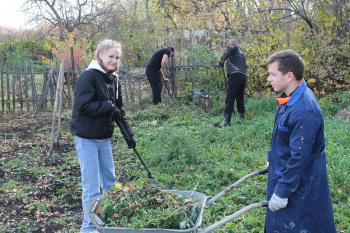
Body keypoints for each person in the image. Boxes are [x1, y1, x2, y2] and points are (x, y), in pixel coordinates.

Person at [265, 49, 336, 232]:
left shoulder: (304, 109)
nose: (269, 79)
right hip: (285, 171)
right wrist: (272, 157)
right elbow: (284, 138)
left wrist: (282, 192)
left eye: (273, 74)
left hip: (302, 182)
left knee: (301, 224)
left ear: (289, 76)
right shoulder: (289, 97)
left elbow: (299, 157)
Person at [70, 39, 136, 233]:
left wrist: (128, 134)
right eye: (110, 56)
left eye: (117, 57)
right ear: (100, 55)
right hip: (86, 139)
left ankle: (109, 221)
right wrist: (106, 106)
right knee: (91, 188)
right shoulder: (88, 77)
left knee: (110, 182)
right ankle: (89, 228)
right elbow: (83, 106)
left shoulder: (114, 80)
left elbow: (118, 110)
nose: (114, 60)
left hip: (103, 139)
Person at [218, 39, 247, 127]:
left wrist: (222, 60)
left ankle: (226, 121)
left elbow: (230, 48)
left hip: (235, 74)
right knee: (239, 97)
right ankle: (241, 119)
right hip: (243, 75)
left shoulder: (233, 46)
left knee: (230, 97)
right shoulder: (241, 53)